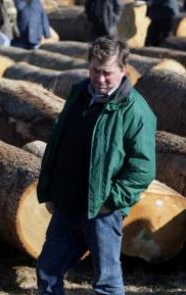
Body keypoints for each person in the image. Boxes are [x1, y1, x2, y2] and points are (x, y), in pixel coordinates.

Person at [36, 36, 156, 295]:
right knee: (47, 270)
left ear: (123, 70)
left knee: (107, 283)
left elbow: (142, 168)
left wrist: (111, 201)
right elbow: (60, 141)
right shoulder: (80, 93)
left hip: (102, 211)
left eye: (107, 73)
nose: (100, 79)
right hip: (67, 205)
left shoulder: (135, 110)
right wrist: (52, 189)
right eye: (95, 70)